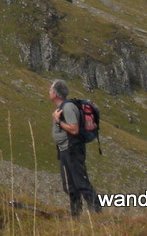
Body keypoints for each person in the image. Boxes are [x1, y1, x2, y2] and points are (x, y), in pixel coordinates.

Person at [49, 79, 101, 216]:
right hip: (65, 150)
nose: (49, 92)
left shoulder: (68, 108)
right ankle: (75, 216)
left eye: (50, 89)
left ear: (55, 94)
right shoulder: (62, 108)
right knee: (71, 187)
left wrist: (58, 121)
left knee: (81, 183)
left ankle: (98, 212)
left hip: (72, 150)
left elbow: (74, 129)